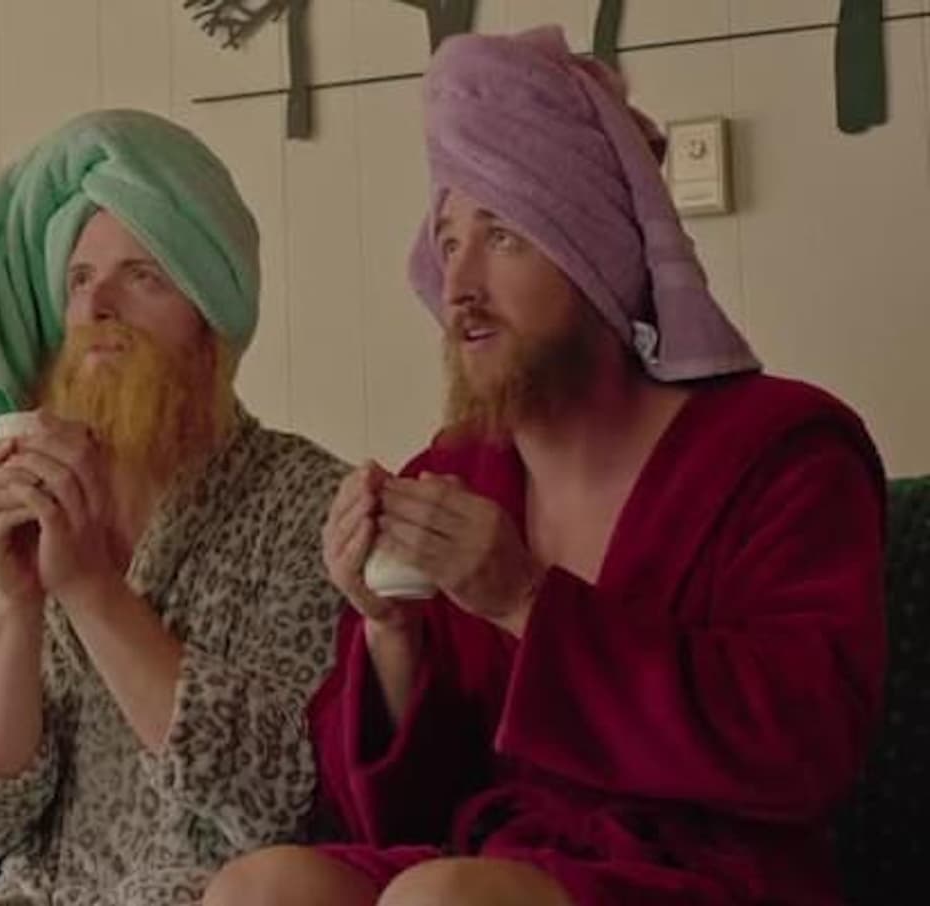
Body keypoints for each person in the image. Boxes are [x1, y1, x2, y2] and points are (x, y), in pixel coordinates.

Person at [205, 27, 886, 906]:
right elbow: (398, 814)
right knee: (262, 885)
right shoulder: (456, 472)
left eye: (503, 236)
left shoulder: (782, 451)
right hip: (506, 859)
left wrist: (524, 600)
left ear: (591, 250)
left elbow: (808, 745)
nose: (458, 285)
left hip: (710, 876)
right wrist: (390, 631)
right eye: (448, 240)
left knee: (441, 900)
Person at [0, 109, 348, 906]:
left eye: (143, 276)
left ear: (211, 319)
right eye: (81, 279)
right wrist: (14, 602)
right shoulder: (37, 496)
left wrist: (94, 591)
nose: (98, 307)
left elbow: (275, 794)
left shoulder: (307, 502)